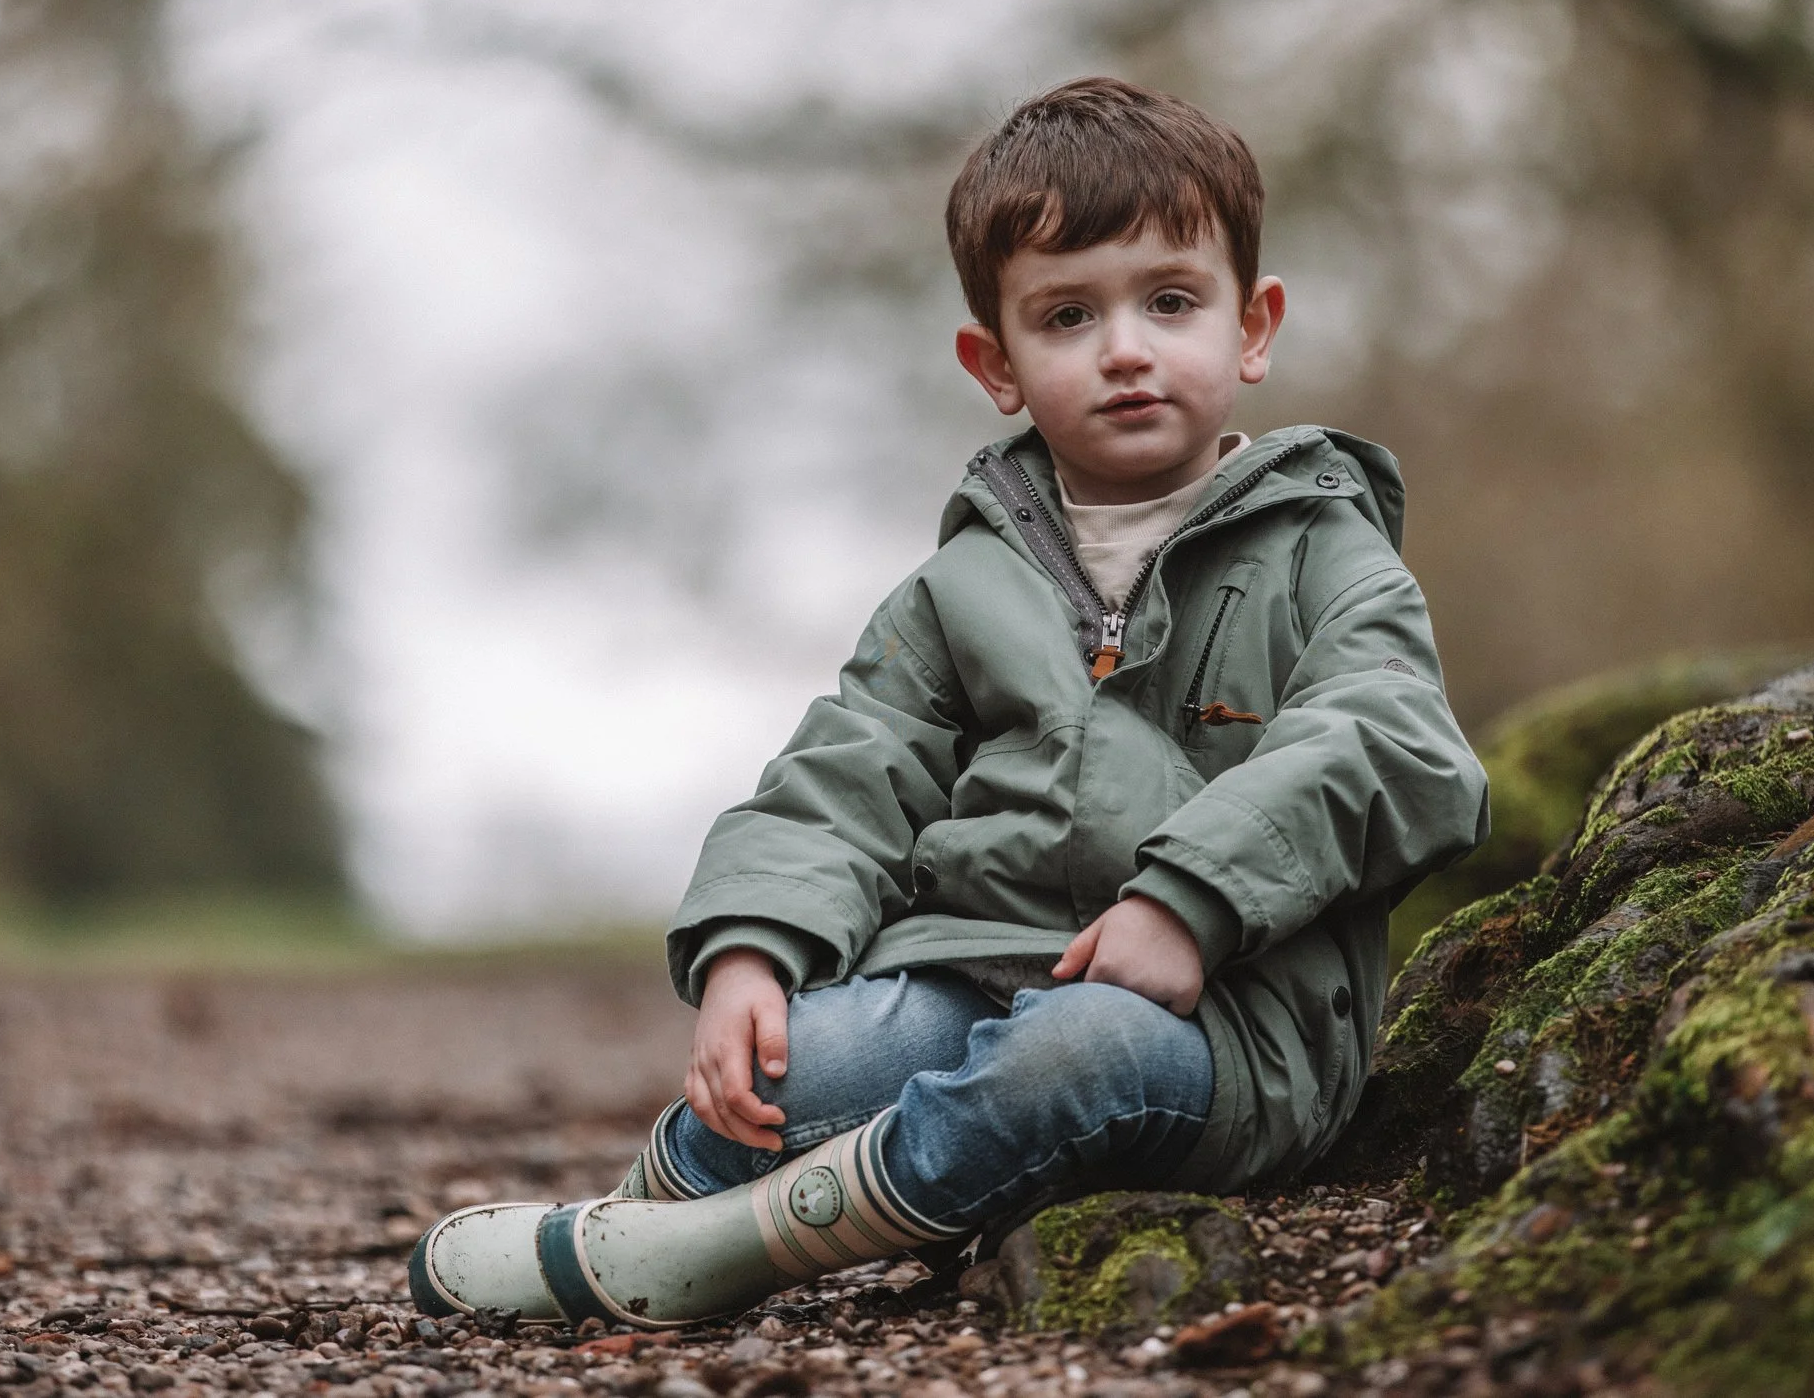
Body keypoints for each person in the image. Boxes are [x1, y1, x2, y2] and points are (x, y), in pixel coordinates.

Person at [409, 77, 1490, 1328]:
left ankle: (743, 1248)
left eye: (1171, 301)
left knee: (1074, 1053)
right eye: (1069, 314)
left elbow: (1393, 743)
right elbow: (848, 770)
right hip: (967, 977)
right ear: (998, 363)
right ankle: (647, 1218)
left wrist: (1191, 898)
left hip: (1228, 1034)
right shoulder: (962, 584)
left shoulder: (1325, 549)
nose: (1126, 347)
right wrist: (752, 943)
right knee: (796, 1062)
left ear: (1252, 329)